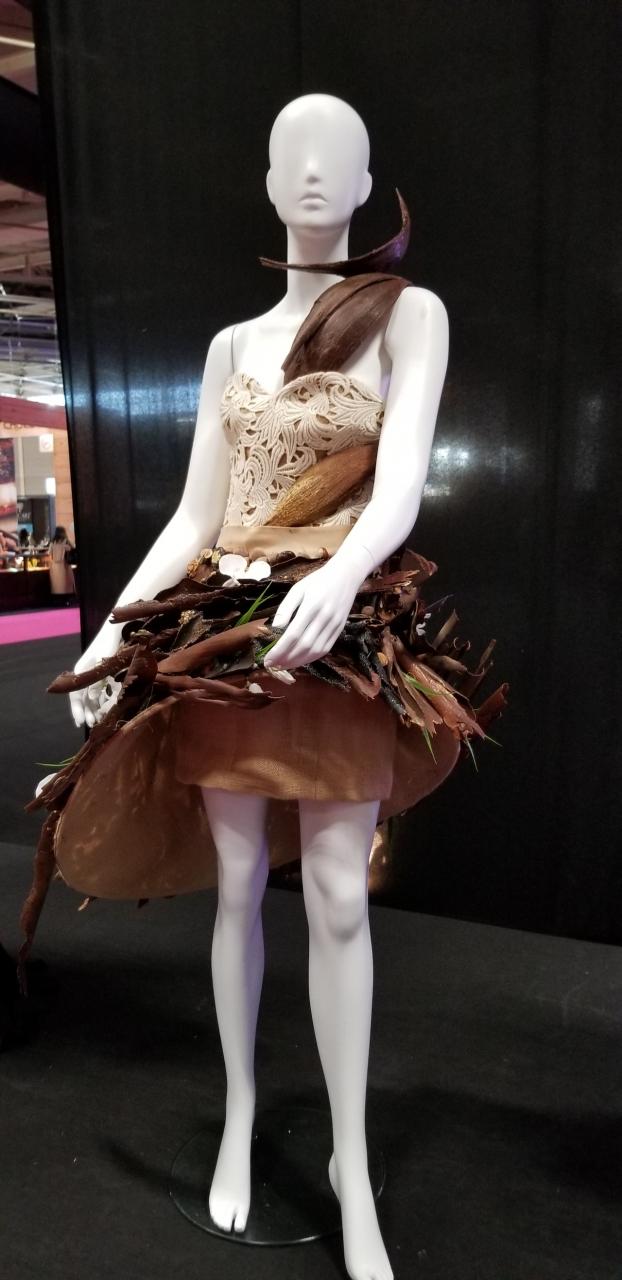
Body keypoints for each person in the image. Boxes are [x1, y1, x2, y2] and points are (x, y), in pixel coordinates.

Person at [24, 96, 508, 1280]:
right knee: (237, 885)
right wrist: (111, 628)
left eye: (335, 157)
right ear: (267, 179)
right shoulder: (231, 344)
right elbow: (198, 512)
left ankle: (349, 1157)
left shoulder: (406, 314)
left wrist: (341, 575)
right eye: (292, 154)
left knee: (339, 896)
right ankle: (240, 1117)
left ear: (366, 183)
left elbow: (401, 481)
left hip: (330, 637)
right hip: (230, 638)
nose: (312, 172)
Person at [48, 525, 75, 598]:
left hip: (54, 567)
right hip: (64, 566)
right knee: (65, 584)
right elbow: (72, 549)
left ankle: (57, 597)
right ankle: (67, 598)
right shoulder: (66, 542)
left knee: (56, 585)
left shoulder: (52, 542)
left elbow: (49, 553)